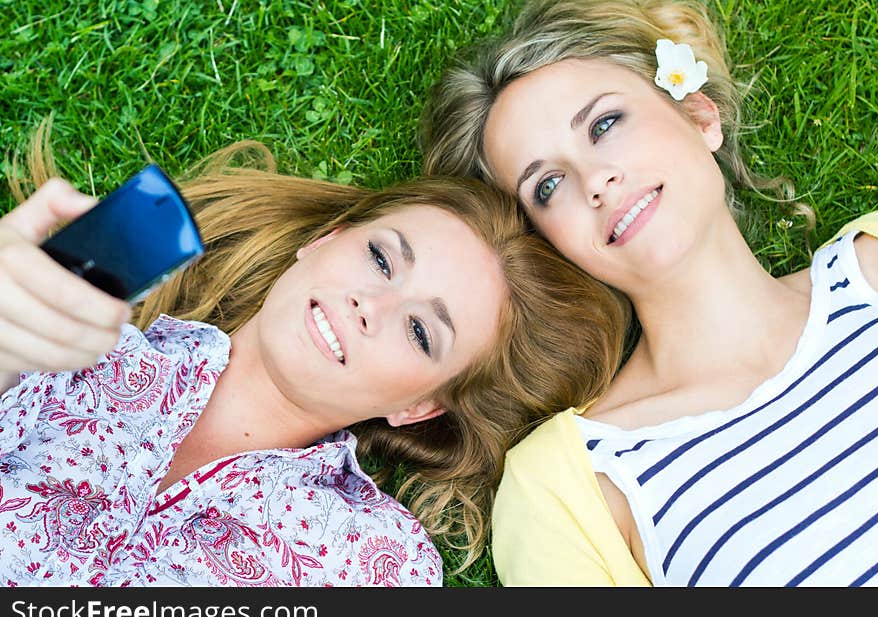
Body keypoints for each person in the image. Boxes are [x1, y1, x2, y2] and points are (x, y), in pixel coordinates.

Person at [0, 130, 631, 587]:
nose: (370, 305)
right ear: (323, 242)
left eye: (419, 331)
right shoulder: (65, 345)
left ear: (418, 407)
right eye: (382, 259)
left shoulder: (374, 563)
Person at [420, 0, 878, 586]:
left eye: (604, 125)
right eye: (549, 184)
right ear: (548, 246)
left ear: (698, 115)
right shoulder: (571, 485)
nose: (596, 180)